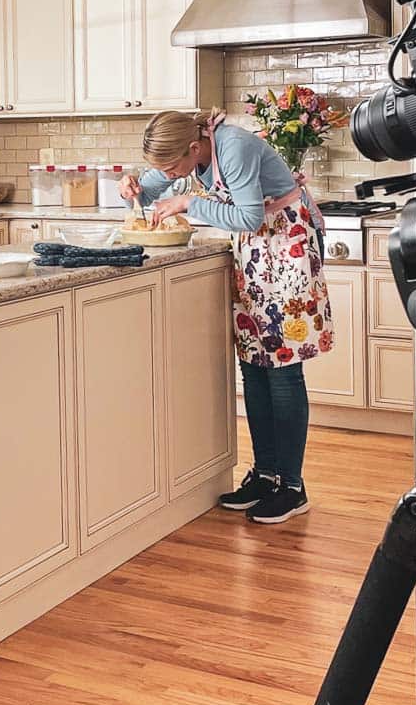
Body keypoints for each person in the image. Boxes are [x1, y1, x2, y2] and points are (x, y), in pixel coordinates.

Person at [120, 109, 333, 525]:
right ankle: (265, 474)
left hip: (287, 242)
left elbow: (249, 216)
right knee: (254, 364)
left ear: (194, 149)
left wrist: (188, 200)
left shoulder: (232, 147)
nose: (167, 174)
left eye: (171, 167)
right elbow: (149, 189)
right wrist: (132, 187)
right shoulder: (192, 151)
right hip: (255, 252)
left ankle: (292, 486)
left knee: (283, 369)